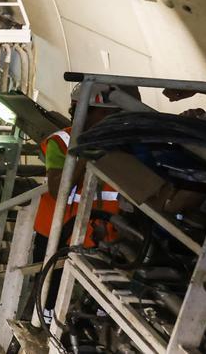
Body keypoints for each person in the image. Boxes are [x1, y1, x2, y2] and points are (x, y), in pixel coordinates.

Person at [31, 81, 136, 315]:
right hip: (56, 236)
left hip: (104, 239)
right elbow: (58, 190)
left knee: (101, 306)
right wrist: (86, 155)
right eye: (74, 109)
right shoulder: (62, 142)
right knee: (48, 301)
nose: (75, 116)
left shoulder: (130, 146)